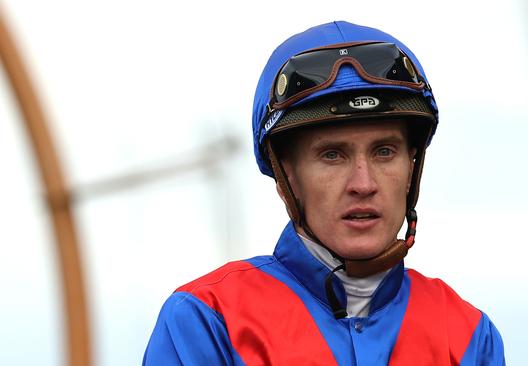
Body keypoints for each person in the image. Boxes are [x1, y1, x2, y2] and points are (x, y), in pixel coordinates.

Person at [143, 21, 505, 365]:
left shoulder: (470, 333)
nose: (363, 183)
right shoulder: (207, 319)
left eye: (384, 152)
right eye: (332, 155)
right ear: (288, 176)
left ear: (412, 168)